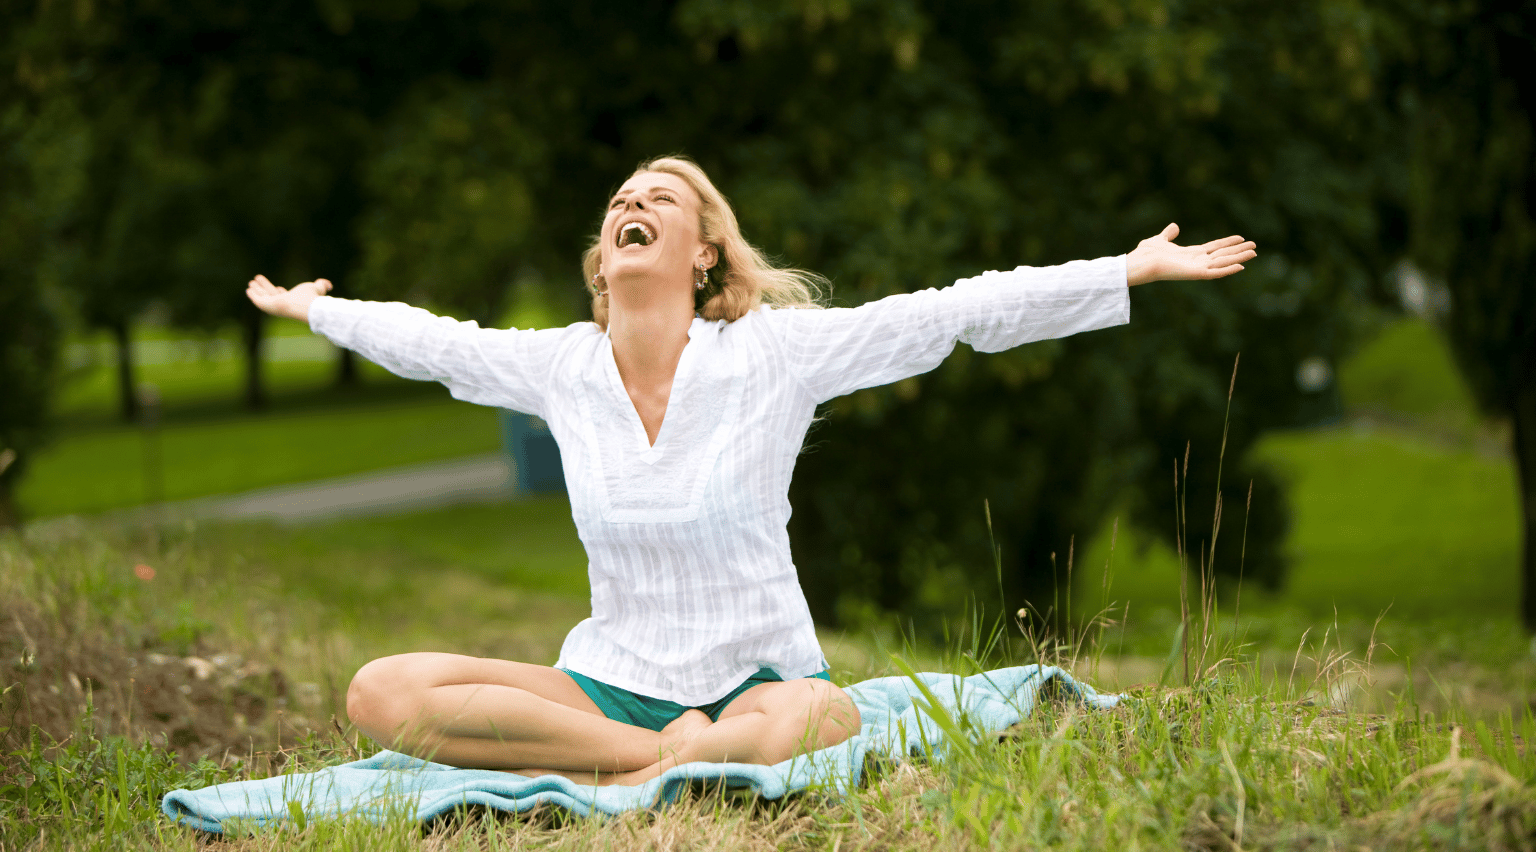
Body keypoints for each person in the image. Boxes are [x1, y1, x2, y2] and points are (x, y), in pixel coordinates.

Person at [245, 155, 1256, 785]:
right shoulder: (561, 367)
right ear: (605, 257)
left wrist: (1121, 270)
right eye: (620, 200)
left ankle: (642, 763)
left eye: (661, 198)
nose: (631, 203)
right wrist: (310, 310)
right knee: (383, 689)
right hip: (608, 686)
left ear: (704, 255)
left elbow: (955, 312)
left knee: (819, 713)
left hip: (760, 685)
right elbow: (435, 341)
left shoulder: (774, 352)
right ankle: (646, 764)